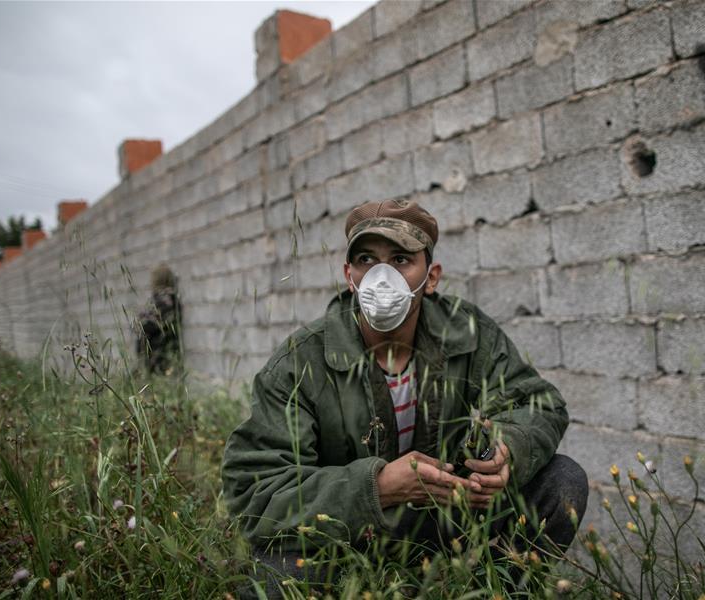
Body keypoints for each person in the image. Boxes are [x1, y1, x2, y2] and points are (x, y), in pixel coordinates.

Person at [222, 200, 588, 596]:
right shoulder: (301, 361)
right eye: (366, 260)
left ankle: (493, 590)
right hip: (345, 537)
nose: (382, 278)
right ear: (350, 276)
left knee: (562, 480)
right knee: (273, 583)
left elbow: (537, 403)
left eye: (400, 259)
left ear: (430, 277)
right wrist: (375, 487)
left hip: (448, 522)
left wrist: (508, 453)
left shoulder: (465, 331)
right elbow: (253, 491)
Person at [134, 263, 183, 376]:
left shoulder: (165, 300)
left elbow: (144, 325)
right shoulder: (165, 299)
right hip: (157, 357)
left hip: (160, 358)